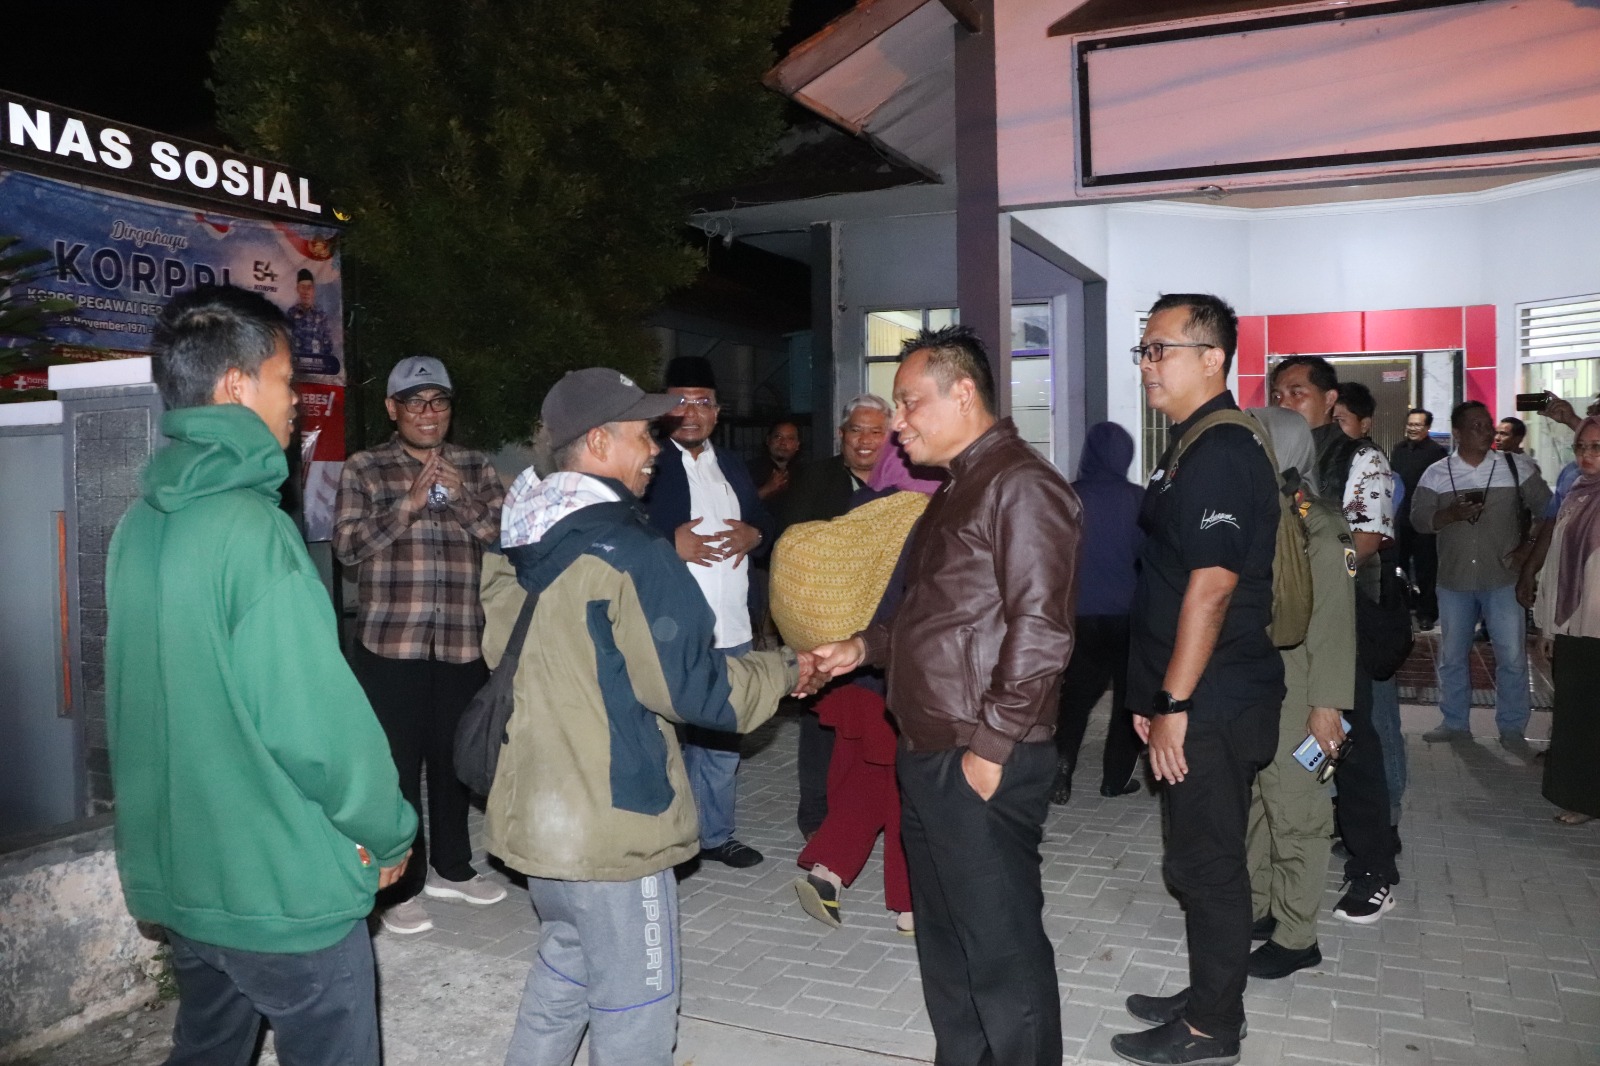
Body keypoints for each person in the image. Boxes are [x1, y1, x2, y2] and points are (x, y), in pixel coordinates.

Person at [106, 285, 416, 1065]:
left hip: (189, 882)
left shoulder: (137, 526)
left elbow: (133, 709)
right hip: (281, 892)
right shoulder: (255, 532)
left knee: (207, 1050)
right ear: (236, 386)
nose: (297, 403)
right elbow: (316, 723)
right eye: (285, 381)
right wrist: (386, 827)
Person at [485, 367, 821, 1065]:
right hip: (615, 826)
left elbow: (508, 654)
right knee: (636, 1011)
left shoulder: (518, 536)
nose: (655, 450)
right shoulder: (633, 553)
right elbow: (700, 694)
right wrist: (789, 669)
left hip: (540, 814)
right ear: (598, 441)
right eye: (643, 434)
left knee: (565, 974)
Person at [811, 325, 1080, 1066]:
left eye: (908, 402)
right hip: (930, 750)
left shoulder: (1022, 485)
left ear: (963, 393)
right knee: (948, 949)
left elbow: (1043, 630)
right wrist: (862, 648)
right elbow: (929, 614)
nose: (897, 423)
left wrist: (990, 751)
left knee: (1003, 959)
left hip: (978, 754)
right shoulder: (957, 487)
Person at [1115, 294, 1282, 1066]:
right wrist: (1152, 698)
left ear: (1213, 358)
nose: (1148, 365)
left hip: (1214, 698)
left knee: (1209, 864)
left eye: (1162, 349)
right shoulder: (1188, 445)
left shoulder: (1220, 452)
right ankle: (1208, 994)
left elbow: (1211, 590)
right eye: (1144, 351)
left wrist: (1175, 701)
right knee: (1194, 857)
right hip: (1192, 694)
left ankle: (1215, 1027)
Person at [333, 356, 508, 934]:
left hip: (462, 641)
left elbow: (508, 539)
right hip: (391, 643)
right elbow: (346, 547)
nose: (428, 413)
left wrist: (462, 499)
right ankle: (401, 884)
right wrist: (406, 505)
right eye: (415, 402)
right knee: (396, 769)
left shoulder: (476, 467)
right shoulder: (365, 468)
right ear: (393, 409)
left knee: (455, 762)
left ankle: (452, 869)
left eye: (439, 401)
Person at [789, 440, 938, 935]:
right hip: (896, 672)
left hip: (849, 671)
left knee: (867, 777)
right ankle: (911, 904)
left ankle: (827, 871)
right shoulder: (925, 514)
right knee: (904, 788)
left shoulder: (862, 507)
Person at [1271, 358, 1399, 926]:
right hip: (1283, 619)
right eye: (1277, 393)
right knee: (1289, 737)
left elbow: (1365, 541)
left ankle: (1375, 868)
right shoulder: (1273, 457)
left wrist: (1295, 568)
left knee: (1350, 740)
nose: (1284, 402)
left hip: (1344, 616)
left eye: (1297, 392)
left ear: (1329, 400)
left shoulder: (1361, 459)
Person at [643, 355, 774, 867]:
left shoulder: (733, 465)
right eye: (680, 401)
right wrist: (666, 543)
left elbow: (765, 522)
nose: (691, 412)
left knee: (722, 739)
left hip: (732, 629)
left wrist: (755, 534)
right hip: (670, 629)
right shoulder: (649, 461)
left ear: (718, 412)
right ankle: (662, 840)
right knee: (661, 737)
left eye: (702, 402)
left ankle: (715, 835)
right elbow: (618, 526)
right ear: (664, 410)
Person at [1241, 406, 1356, 980]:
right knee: (1261, 806)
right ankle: (1261, 908)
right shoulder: (1271, 512)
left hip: (1305, 685)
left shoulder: (1320, 524)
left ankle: (1296, 937)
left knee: (1297, 812)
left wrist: (1326, 707)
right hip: (1266, 681)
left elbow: (1333, 623)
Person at [779, 393, 892, 840]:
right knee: (821, 721)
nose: (865, 440)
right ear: (842, 435)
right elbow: (792, 543)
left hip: (880, 627)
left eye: (875, 431)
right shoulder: (814, 477)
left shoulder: (904, 482)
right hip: (825, 626)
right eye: (856, 430)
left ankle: (863, 813)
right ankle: (815, 815)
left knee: (877, 723)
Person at [1410, 401, 1550, 753]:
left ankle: (1512, 728)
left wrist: (1527, 549)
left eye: (1488, 425)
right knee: (1453, 656)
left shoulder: (1516, 467)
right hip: (1454, 580)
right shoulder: (1436, 473)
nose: (1486, 431)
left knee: (1512, 657)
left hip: (1503, 577)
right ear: (1457, 432)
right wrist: (1449, 514)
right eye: (1476, 426)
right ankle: (1455, 722)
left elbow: (1549, 511)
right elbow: (1418, 520)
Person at [1051, 420, 1147, 805]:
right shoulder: (1138, 499)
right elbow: (1149, 556)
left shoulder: (1066, 497)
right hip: (1128, 615)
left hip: (1079, 615)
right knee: (1127, 697)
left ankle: (1061, 772)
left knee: (1075, 696)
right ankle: (1115, 779)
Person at [1531, 415, 1600, 826]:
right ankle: (1583, 798)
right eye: (1581, 447)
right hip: (1576, 626)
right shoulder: (1576, 493)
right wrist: (1548, 626)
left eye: (1597, 448)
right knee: (1577, 716)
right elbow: (1557, 563)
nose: (1586, 455)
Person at [1391, 408, 1448, 630]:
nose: (1412, 428)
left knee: (1426, 569)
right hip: (1400, 518)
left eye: (1418, 425)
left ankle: (1427, 613)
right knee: (1399, 566)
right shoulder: (1398, 450)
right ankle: (1401, 610)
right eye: (1410, 424)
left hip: (1425, 520)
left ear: (1427, 428)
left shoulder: (1437, 453)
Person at [285, 267, 337, 377]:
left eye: (309, 287)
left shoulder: (321, 315)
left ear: (313, 290)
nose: (306, 291)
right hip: (297, 371)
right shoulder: (291, 314)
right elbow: (286, 342)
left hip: (317, 371)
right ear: (297, 289)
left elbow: (328, 345)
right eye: (302, 287)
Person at [749, 418, 801, 504]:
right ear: (768, 440)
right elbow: (739, 503)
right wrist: (767, 489)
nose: (783, 443)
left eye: (790, 438)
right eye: (778, 437)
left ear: (797, 445)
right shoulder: (749, 470)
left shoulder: (804, 473)